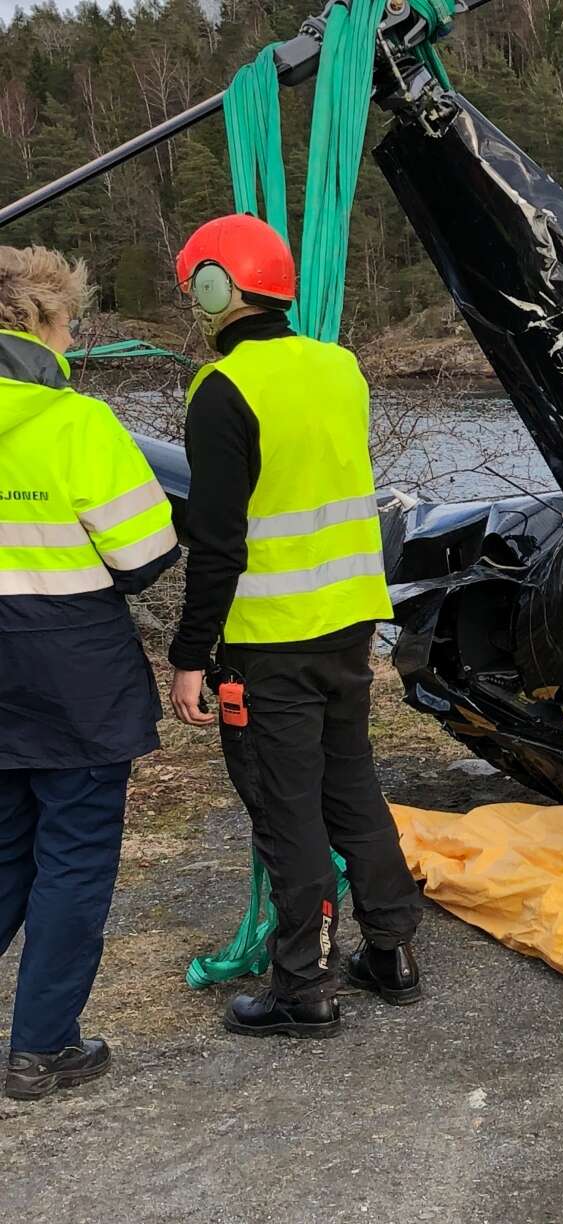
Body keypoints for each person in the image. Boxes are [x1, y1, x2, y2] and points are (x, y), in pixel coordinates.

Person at [167, 214, 422, 1038]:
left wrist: (189, 654)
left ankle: (303, 988)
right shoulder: (340, 368)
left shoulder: (222, 390)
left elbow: (217, 544)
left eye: (196, 288)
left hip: (270, 641)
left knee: (288, 812)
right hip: (349, 627)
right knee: (352, 789)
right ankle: (392, 952)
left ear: (218, 289)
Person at [0, 246, 180, 1101]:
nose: (73, 339)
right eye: (69, 322)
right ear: (39, 321)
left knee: (5, 850)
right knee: (73, 856)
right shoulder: (77, 424)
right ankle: (41, 1049)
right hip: (72, 669)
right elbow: (145, 554)